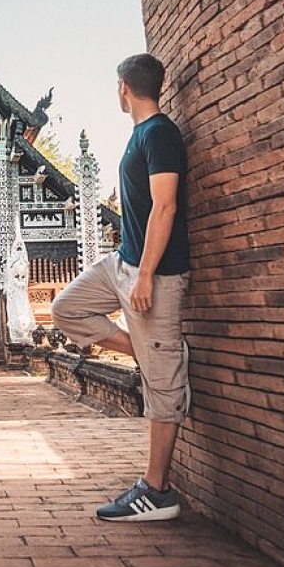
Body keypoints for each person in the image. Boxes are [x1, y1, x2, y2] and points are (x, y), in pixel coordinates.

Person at [52, 53, 191, 521]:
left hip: (155, 272)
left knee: (162, 385)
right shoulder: (140, 135)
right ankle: (145, 350)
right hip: (121, 262)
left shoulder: (160, 134)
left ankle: (157, 490)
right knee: (66, 308)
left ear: (123, 88)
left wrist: (148, 272)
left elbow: (165, 207)